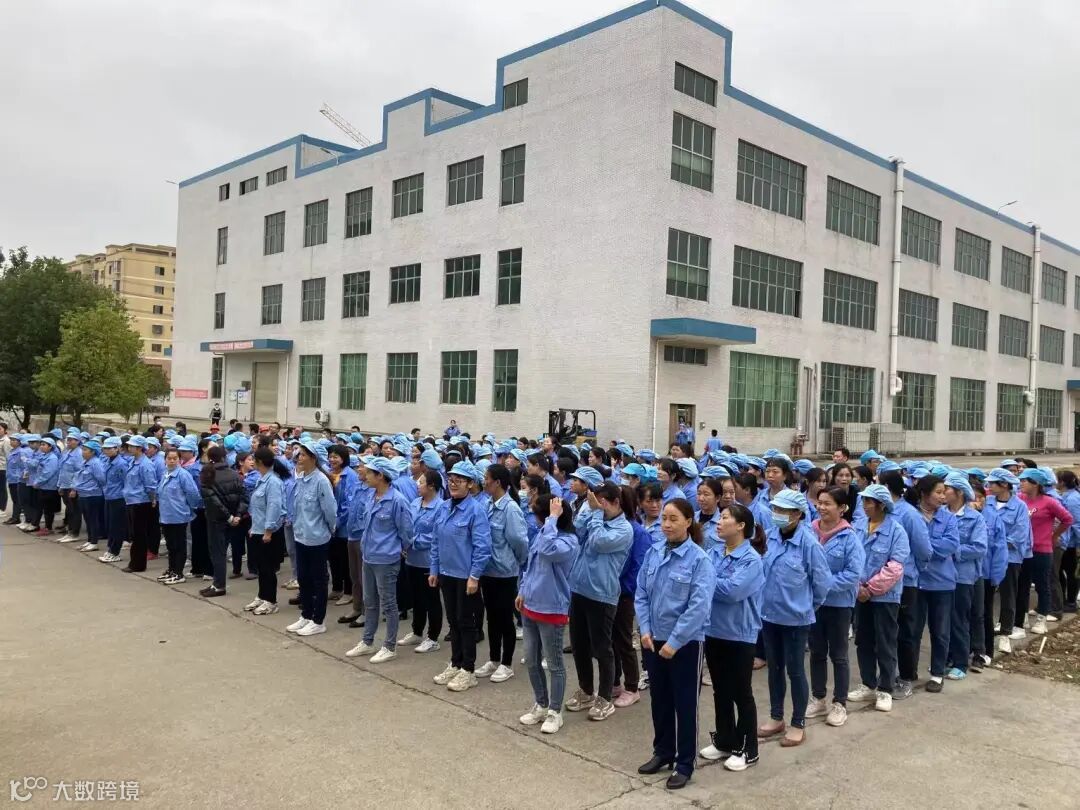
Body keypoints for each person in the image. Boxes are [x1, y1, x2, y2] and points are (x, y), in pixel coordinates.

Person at [634, 498, 714, 790]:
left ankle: (684, 763)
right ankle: (663, 751)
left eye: (674, 519)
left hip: (686, 644)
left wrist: (675, 641)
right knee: (660, 699)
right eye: (664, 519)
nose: (666, 524)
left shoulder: (699, 560)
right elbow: (641, 593)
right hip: (653, 639)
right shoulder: (654, 552)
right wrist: (645, 629)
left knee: (685, 703)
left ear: (688, 522)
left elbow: (699, 607)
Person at [757, 489, 831, 747]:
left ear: (798, 514)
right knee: (774, 669)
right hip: (769, 616)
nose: (777, 514)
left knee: (795, 670)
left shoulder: (809, 544)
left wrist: (805, 607)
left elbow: (822, 584)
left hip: (796, 620)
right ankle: (776, 717)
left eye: (783, 510)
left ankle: (798, 723)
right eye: (775, 509)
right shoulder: (770, 536)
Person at [700, 503, 764, 772]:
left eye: (725, 518)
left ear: (740, 526)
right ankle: (726, 739)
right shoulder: (714, 552)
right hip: (713, 629)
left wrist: (706, 581)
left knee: (741, 692)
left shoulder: (751, 560)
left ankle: (748, 749)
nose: (719, 521)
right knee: (721, 690)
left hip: (739, 633)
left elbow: (732, 592)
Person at [565, 482, 634, 720]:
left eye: (602, 502)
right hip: (579, 589)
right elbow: (577, 532)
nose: (598, 505)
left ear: (616, 502)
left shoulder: (624, 529)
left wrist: (595, 513)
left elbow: (598, 542)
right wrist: (589, 511)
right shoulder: (596, 517)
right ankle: (586, 690)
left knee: (602, 648)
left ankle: (605, 697)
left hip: (602, 595)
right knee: (579, 645)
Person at [517, 494, 580, 735]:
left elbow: (547, 550)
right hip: (530, 606)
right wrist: (523, 590)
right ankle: (541, 704)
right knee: (532, 661)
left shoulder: (568, 541)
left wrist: (552, 518)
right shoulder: (544, 533)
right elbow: (531, 566)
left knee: (554, 664)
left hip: (552, 608)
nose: (535, 518)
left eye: (537, 514)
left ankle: (555, 711)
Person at [429, 460, 492, 692]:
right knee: (453, 621)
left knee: (466, 623)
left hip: (466, 576)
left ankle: (468, 670)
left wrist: (474, 576)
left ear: (470, 484)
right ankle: (455, 663)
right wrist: (434, 569)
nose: (453, 484)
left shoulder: (476, 510)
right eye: (451, 480)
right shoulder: (444, 507)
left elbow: (482, 547)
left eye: (459, 480)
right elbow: (436, 541)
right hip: (446, 573)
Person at [806, 486, 864, 728]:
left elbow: (853, 573)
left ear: (842, 508)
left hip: (839, 605)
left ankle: (840, 703)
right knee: (816, 652)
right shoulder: (809, 531)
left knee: (839, 655)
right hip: (814, 605)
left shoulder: (849, 538)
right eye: (819, 502)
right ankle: (818, 698)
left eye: (828, 503)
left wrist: (823, 584)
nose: (822, 507)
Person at [847, 484, 908, 713]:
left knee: (885, 641)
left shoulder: (896, 531)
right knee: (863, 639)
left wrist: (870, 589)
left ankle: (885, 688)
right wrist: (857, 587)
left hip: (885, 597)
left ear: (881, 505)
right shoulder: (858, 527)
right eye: (863, 501)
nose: (864, 506)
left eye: (868, 502)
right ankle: (868, 683)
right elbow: (850, 558)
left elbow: (895, 566)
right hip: (859, 595)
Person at [346, 457, 413, 662]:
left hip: (386, 559)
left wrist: (400, 549)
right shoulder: (371, 495)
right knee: (370, 602)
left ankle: (389, 646)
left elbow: (407, 531)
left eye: (369, 472)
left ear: (380, 476)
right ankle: (367, 641)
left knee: (389, 604)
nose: (364, 475)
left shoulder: (397, 500)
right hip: (369, 556)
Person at [906, 475, 959, 693]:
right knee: (912, 631)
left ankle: (937, 673)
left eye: (944, 492)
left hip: (942, 582)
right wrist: (926, 547)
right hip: (916, 582)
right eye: (938, 492)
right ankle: (908, 672)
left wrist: (924, 546)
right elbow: (906, 546)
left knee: (940, 631)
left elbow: (950, 545)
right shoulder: (911, 516)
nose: (942, 496)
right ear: (924, 494)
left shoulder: (949, 518)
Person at [475, 463, 528, 682]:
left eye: (486, 478)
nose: (483, 481)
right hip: (488, 570)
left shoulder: (510, 509)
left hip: (505, 572)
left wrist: (518, 562)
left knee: (505, 618)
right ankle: (494, 659)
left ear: (497, 482)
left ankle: (506, 663)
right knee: (492, 618)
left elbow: (519, 541)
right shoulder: (487, 504)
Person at [285, 441, 338, 636]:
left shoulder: (321, 481)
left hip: (317, 538)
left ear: (313, 458)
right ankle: (306, 615)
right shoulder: (301, 478)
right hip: (301, 536)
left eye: (303, 455)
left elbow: (330, 511)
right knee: (303, 578)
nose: (299, 458)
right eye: (298, 454)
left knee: (319, 580)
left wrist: (329, 530)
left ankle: (318, 620)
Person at [941, 473, 987, 681]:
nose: (943, 493)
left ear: (959, 493)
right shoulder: (941, 514)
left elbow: (979, 547)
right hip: (941, 575)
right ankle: (947, 657)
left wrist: (952, 550)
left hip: (963, 576)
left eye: (947, 489)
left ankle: (960, 662)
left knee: (959, 619)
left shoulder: (975, 518)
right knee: (943, 620)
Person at [1017, 468, 1073, 636]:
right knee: (1022, 585)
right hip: (1023, 550)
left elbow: (1067, 519)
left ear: (1035, 484)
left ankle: (1042, 618)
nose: (1021, 483)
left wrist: (1054, 535)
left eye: (1024, 480)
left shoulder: (1049, 502)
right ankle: (1022, 617)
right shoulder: (1019, 499)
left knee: (1043, 584)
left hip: (1042, 549)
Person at [986, 468, 1032, 655]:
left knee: (1008, 594)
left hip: (1010, 558)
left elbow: (1019, 536)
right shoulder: (987, 502)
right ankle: (985, 635)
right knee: (986, 597)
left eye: (992, 483)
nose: (989, 486)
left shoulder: (1019, 506)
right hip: (987, 558)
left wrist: (995, 544)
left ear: (1004, 484)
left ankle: (1006, 632)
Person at [612, 485, 650, 708]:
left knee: (624, 640)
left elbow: (638, 567)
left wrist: (622, 588)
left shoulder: (638, 531)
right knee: (609, 640)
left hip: (624, 594)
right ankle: (614, 682)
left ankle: (632, 686)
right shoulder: (613, 526)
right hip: (608, 591)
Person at [400, 470, 444, 653]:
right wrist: (405, 541)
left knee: (431, 599)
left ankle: (433, 637)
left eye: (421, 482)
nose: (417, 485)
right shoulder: (415, 503)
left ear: (432, 486)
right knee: (416, 598)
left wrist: (413, 541)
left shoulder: (441, 507)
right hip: (411, 560)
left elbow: (436, 536)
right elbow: (407, 526)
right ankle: (417, 631)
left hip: (428, 561)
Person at [199, 445, 248, 597]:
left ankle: (219, 585)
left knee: (217, 553)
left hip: (217, 519)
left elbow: (212, 500)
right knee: (221, 552)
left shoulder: (208, 474)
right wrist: (237, 515)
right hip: (231, 519)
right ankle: (216, 583)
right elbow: (244, 497)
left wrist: (230, 516)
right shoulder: (234, 474)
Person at [245, 447, 288, 614]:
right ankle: (262, 596)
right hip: (258, 529)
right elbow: (257, 507)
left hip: (268, 533)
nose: (252, 462)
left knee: (268, 567)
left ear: (260, 462)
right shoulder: (262, 479)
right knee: (261, 566)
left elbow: (274, 507)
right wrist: (253, 527)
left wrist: (268, 530)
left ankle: (271, 601)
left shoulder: (273, 482)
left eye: (254, 460)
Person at [972, 483, 1007, 668]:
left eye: (980, 497)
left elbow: (1000, 549)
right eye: (973, 497)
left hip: (985, 575)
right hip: (965, 575)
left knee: (984, 613)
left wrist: (996, 576)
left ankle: (986, 651)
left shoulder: (992, 518)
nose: (977, 501)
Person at [156, 447, 202, 584]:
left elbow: (193, 494)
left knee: (179, 545)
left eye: (175, 458)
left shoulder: (183, 475)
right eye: (169, 458)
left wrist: (189, 508)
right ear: (165, 460)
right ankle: (171, 569)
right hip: (166, 516)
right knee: (170, 545)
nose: (172, 461)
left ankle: (178, 572)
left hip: (179, 515)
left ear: (179, 460)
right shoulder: (165, 473)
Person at [121, 436, 157, 573]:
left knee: (139, 534)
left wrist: (152, 499)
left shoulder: (145, 464)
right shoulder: (133, 461)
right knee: (134, 534)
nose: (129, 448)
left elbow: (150, 485)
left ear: (140, 448)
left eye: (132, 446)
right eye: (129, 446)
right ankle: (134, 562)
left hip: (141, 502)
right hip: (131, 500)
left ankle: (138, 564)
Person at [73, 439, 107, 554]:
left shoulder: (95, 463)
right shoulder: (85, 462)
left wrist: (94, 487)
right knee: (87, 519)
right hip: (83, 494)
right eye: (82, 449)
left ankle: (94, 542)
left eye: (85, 450)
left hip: (93, 495)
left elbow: (102, 479)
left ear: (93, 452)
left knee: (93, 519)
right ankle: (89, 540)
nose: (83, 452)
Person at [98, 437, 129, 563]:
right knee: (110, 525)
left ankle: (115, 551)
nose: (106, 450)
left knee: (117, 526)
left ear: (117, 449)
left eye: (109, 448)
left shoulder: (121, 464)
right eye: (105, 448)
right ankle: (110, 548)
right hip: (108, 496)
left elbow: (126, 482)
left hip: (118, 498)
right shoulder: (107, 461)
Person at [1057, 470, 1080, 613]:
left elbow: (1077, 523)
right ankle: (1064, 600)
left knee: (1071, 573)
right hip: (1066, 542)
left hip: (1070, 543)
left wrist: (1079, 545)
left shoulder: (1072, 499)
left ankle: (1071, 602)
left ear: (1062, 482)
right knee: (1061, 571)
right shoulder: (1067, 496)